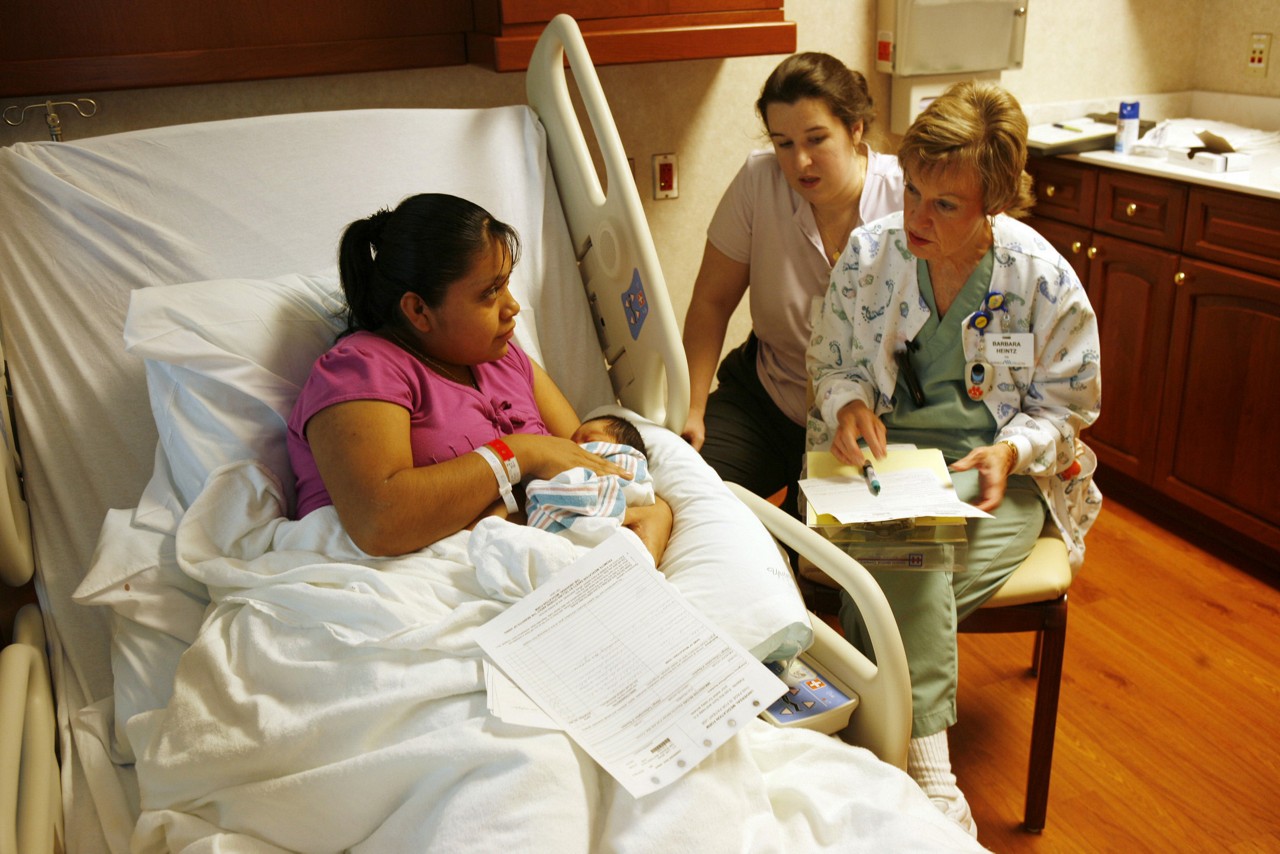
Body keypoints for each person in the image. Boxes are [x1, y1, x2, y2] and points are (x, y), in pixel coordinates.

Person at [807, 80, 1102, 836]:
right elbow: (832, 360)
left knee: (893, 564)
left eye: (945, 205)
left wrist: (1011, 449)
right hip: (883, 470)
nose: (914, 218)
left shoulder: (1042, 280)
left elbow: (1068, 409)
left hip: (994, 479)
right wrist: (848, 404)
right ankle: (932, 777)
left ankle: (915, 764)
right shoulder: (870, 257)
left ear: (995, 203)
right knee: (909, 548)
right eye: (910, 192)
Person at [286, 193, 673, 564]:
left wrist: (645, 535)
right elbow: (378, 522)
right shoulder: (361, 369)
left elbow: (591, 470)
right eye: (490, 292)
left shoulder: (507, 362)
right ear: (419, 309)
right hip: (416, 582)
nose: (513, 306)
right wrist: (520, 452)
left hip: (543, 568)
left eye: (506, 283)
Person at [680, 52, 904, 518]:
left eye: (816, 139)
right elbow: (712, 301)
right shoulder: (758, 182)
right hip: (768, 395)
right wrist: (692, 408)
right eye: (783, 143)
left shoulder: (904, 198)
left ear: (856, 128)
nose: (799, 161)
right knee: (687, 497)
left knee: (828, 555)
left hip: (872, 418)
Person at [524, 414, 656, 547]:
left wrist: (538, 490)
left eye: (588, 441)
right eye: (572, 443)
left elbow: (583, 497)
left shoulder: (626, 465)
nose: (574, 449)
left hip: (614, 539)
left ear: (620, 448)